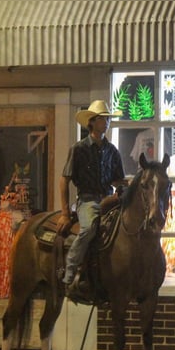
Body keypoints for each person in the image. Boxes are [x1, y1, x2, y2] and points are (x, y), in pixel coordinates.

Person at [58, 100, 128, 293]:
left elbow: (117, 180)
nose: (106, 122)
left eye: (108, 119)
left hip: (108, 199)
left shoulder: (112, 151)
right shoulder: (79, 149)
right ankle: (70, 269)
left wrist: (125, 186)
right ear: (92, 122)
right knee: (88, 228)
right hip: (88, 200)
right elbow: (65, 180)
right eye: (102, 119)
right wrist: (65, 212)